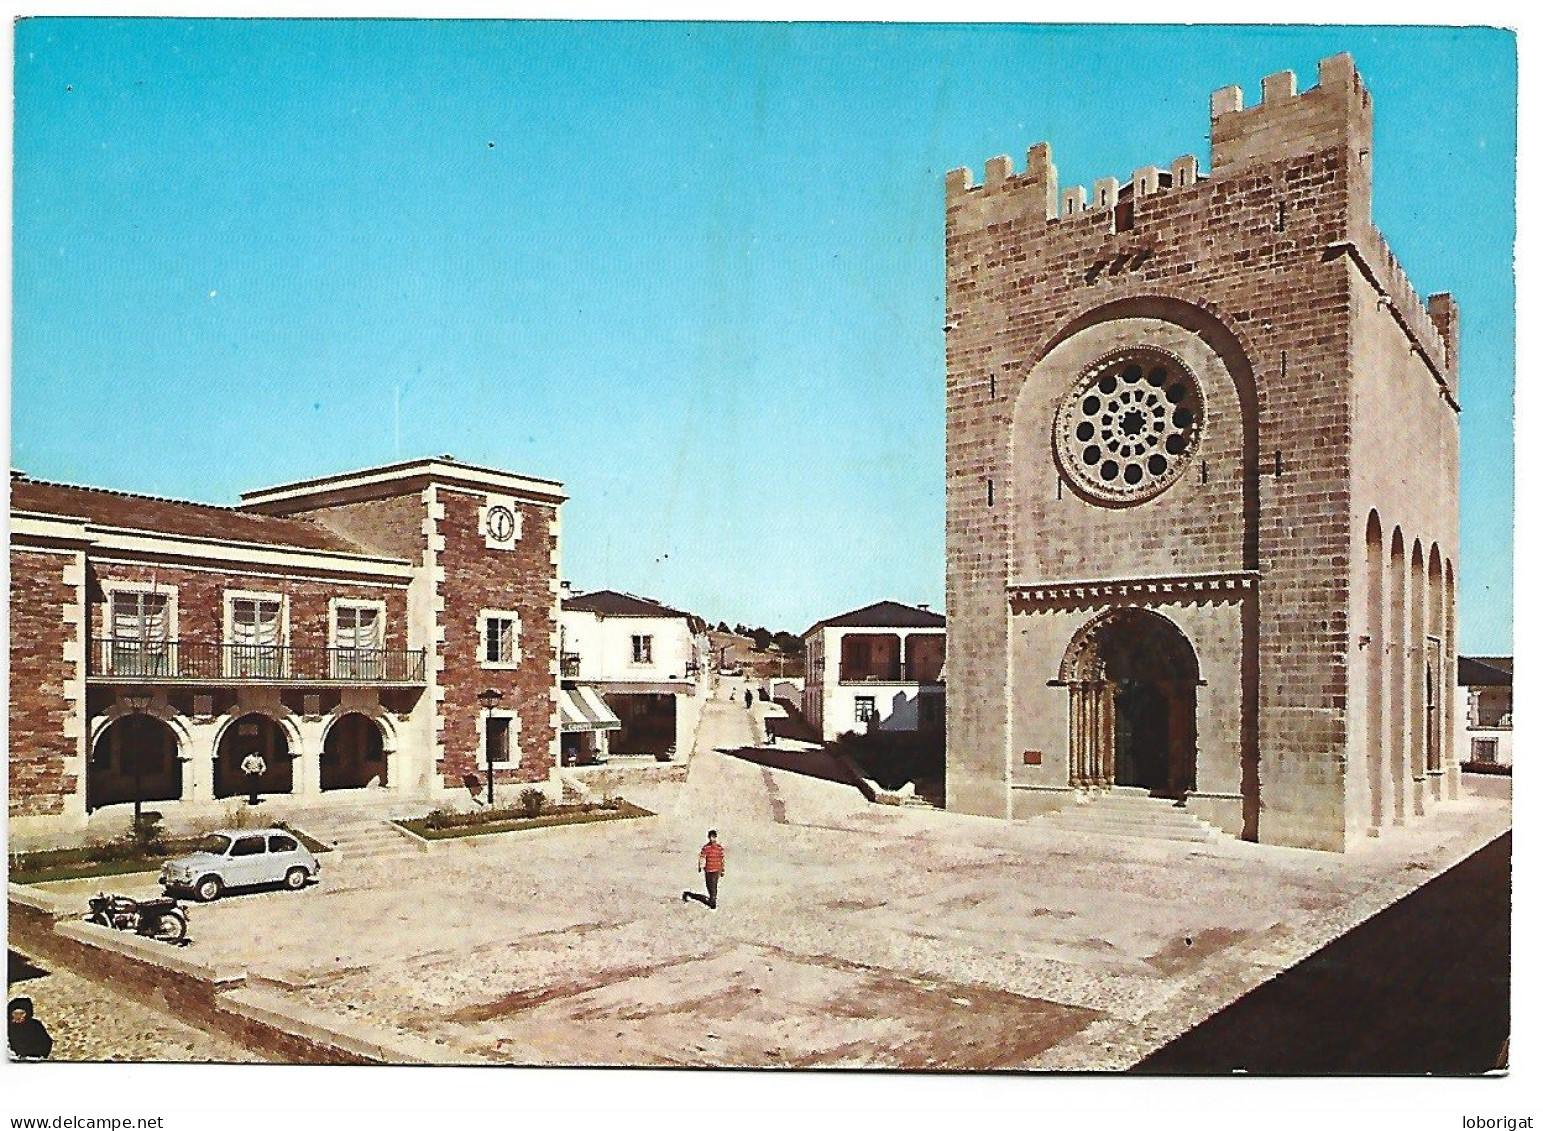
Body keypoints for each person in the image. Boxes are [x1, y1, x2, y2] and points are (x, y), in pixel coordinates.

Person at [682, 829, 725, 910]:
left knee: (714, 886)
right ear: (709, 838)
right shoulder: (706, 848)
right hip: (708, 869)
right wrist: (700, 866)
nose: (712, 839)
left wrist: (722, 869)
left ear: (715, 837)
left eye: (713, 837)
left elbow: (722, 859)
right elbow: (702, 857)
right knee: (709, 885)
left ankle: (713, 902)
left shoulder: (719, 848)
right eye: (710, 837)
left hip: (716, 869)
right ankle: (712, 899)